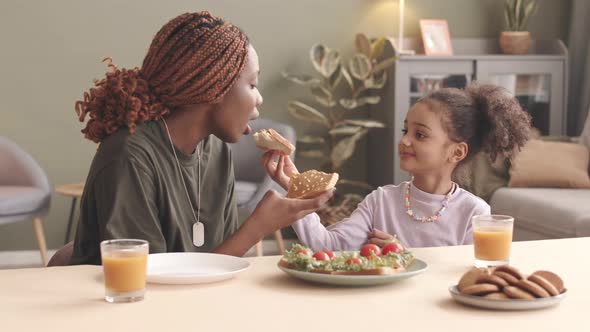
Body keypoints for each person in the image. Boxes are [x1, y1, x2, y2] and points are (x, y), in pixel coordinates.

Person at [70, 11, 333, 265]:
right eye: (252, 85)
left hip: (192, 302)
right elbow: (149, 280)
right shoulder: (128, 156)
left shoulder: (216, 150)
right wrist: (257, 227)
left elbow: (215, 261)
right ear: (216, 86)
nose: (259, 99)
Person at [263, 83, 531, 250]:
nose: (404, 140)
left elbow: (470, 279)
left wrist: (404, 255)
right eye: (406, 130)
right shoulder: (380, 202)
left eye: (420, 135)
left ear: (456, 152)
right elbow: (327, 246)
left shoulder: (474, 213)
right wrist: (296, 190)